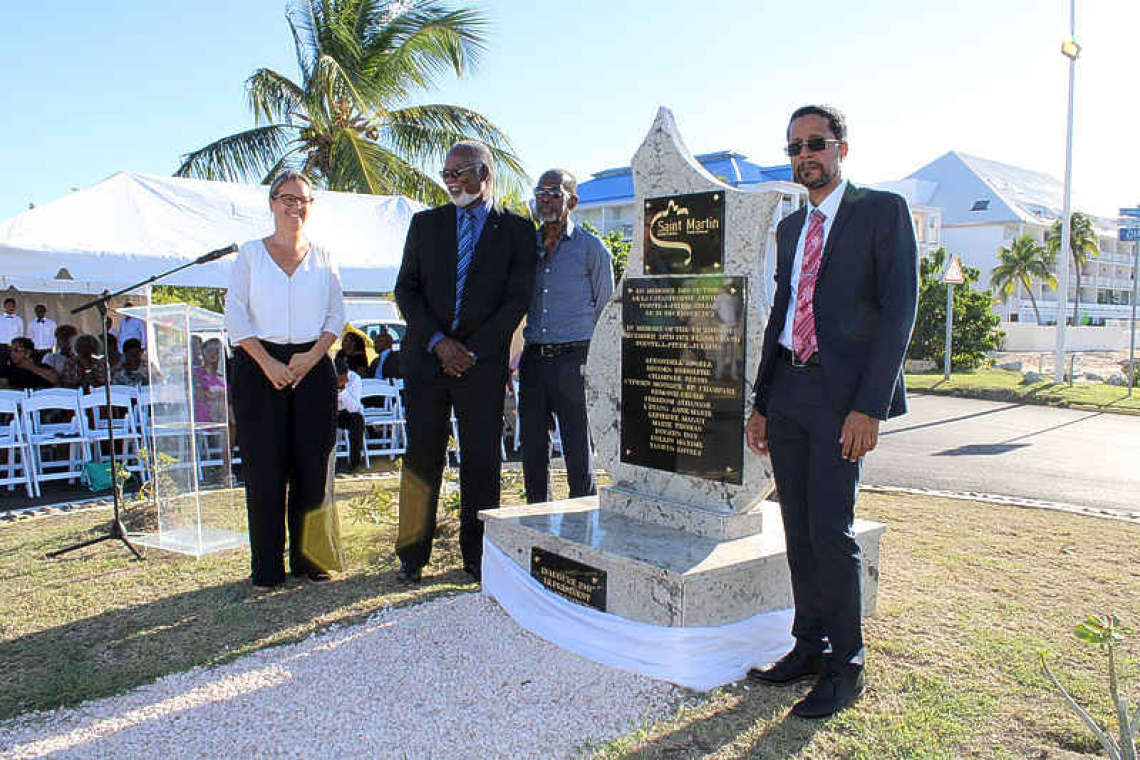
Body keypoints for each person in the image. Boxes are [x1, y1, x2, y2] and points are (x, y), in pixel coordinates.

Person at [745, 105, 918, 719]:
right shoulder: (792, 230)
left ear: (841, 148)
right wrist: (762, 401)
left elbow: (899, 312)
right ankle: (809, 646)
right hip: (789, 391)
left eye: (815, 143)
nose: (804, 155)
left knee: (832, 533)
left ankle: (848, 664)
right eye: (794, 146)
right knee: (797, 529)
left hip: (842, 401)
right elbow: (781, 317)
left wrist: (868, 407)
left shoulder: (881, 211)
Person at [392, 139, 536, 584]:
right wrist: (438, 342)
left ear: (485, 174)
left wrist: (471, 350)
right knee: (421, 460)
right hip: (427, 363)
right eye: (446, 173)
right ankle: (412, 557)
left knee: (481, 461)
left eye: (459, 172)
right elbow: (406, 291)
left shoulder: (515, 230)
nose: (451, 181)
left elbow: (517, 299)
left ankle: (477, 557)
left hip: (481, 366)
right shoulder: (425, 225)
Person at [225, 170, 346, 589]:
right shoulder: (250, 255)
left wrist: (310, 358)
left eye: (303, 200)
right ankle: (267, 568)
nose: (295, 206)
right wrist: (269, 363)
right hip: (259, 366)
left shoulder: (324, 256)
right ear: (272, 203)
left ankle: (310, 560)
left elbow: (336, 316)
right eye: (287, 198)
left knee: (313, 467)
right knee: (265, 470)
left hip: (312, 366)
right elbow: (235, 315)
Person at [519, 169, 613, 504]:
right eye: (539, 192)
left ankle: (583, 519)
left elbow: (606, 314)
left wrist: (601, 367)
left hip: (576, 360)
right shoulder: (525, 246)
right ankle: (535, 518)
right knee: (531, 447)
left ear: (571, 200)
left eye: (554, 193)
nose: (544, 199)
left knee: (577, 447)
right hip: (534, 359)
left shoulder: (592, 249)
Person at [334, 357, 366, 472]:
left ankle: (355, 463)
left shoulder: (354, 379)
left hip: (346, 413)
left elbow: (354, 408)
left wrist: (342, 390)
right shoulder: (324, 378)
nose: (346, 380)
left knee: (357, 420)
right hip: (328, 412)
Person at [0, 297, 24, 369]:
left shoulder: (19, 319)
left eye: (12, 306)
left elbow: (21, 334)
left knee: (15, 366)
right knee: (2, 366)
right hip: (2, 346)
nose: (10, 307)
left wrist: (19, 347)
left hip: (15, 347)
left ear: (15, 307)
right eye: (8, 305)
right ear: (4, 306)